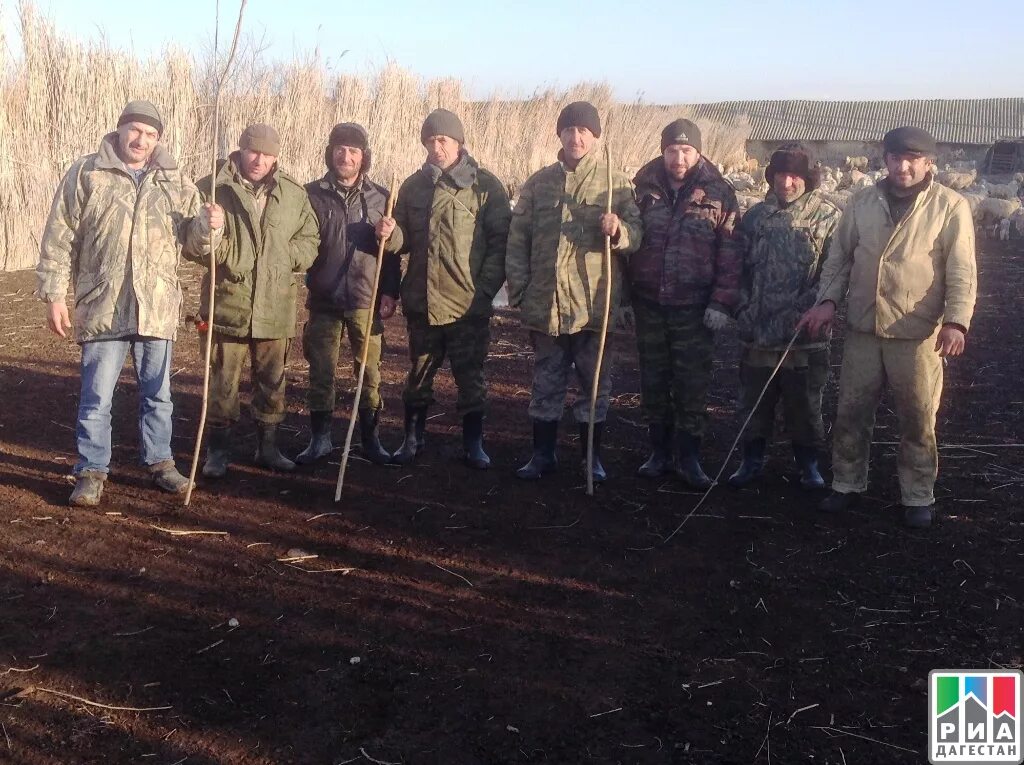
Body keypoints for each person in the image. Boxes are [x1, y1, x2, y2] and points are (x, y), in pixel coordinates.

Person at [797, 126, 977, 528]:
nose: (903, 166)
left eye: (913, 159)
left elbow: (962, 270)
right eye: (896, 158)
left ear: (929, 163)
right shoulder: (862, 202)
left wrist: (955, 321)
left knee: (917, 417)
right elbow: (840, 259)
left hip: (917, 333)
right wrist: (826, 301)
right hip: (863, 327)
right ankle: (846, 483)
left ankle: (917, 495)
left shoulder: (950, 206)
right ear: (886, 160)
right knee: (851, 412)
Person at [37, 100, 209, 506]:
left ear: (159, 139)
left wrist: (207, 226)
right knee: (97, 396)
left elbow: (193, 244)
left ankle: (161, 464)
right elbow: (59, 234)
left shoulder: (175, 179)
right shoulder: (87, 172)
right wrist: (54, 294)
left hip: (158, 305)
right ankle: (91, 471)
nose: (141, 139)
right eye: (135, 130)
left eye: (151, 134)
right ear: (119, 129)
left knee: (159, 396)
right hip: (102, 303)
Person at [506, 101, 642, 483]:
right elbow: (518, 240)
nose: (576, 136)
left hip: (594, 304)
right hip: (548, 303)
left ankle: (590, 458)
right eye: (569, 129)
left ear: (595, 137)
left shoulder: (616, 184)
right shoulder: (538, 182)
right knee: (546, 381)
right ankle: (542, 455)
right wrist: (519, 290)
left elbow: (637, 235)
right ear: (559, 135)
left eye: (584, 130)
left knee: (594, 383)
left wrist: (619, 231)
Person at [377, 109, 510, 469]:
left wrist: (483, 292)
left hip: (467, 304)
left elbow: (501, 244)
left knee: (471, 377)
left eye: (443, 140)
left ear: (458, 143)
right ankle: (412, 438)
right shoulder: (411, 186)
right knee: (418, 376)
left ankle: (473, 443)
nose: (437, 147)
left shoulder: (486, 186)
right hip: (422, 300)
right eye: (430, 141)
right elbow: (402, 242)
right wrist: (389, 235)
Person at [184, 124, 320, 478]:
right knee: (221, 382)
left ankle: (268, 448)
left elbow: (310, 239)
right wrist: (221, 244)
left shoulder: (293, 193)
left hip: (275, 305)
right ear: (240, 150)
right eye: (252, 151)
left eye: (267, 154)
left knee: (272, 381)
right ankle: (218, 452)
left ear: (276, 156)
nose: (259, 160)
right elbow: (192, 246)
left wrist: (283, 258)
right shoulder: (212, 188)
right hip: (227, 302)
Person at [628, 119, 741, 488]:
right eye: (672, 150)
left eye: (686, 150)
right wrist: (625, 299)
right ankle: (658, 452)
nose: (679, 157)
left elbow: (730, 251)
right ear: (663, 151)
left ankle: (690, 458)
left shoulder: (719, 192)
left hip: (695, 308)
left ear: (698, 151)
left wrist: (721, 303)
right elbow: (626, 246)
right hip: (649, 304)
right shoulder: (642, 189)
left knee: (692, 384)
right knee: (654, 381)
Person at [729, 143, 841, 490]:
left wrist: (813, 307)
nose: (787, 182)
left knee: (804, 404)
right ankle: (751, 460)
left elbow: (834, 274)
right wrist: (743, 307)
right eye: (781, 174)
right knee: (754, 403)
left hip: (802, 333)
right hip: (758, 331)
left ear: (806, 178)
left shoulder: (828, 217)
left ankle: (809, 465)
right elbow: (737, 268)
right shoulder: (755, 217)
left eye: (795, 175)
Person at [297, 123, 399, 466]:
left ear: (363, 157)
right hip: (324, 300)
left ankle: (370, 439)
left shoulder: (382, 198)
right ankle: (320, 440)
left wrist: (389, 292)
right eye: (340, 149)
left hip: (364, 300)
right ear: (330, 153)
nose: (346, 156)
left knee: (369, 373)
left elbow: (393, 255)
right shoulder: (311, 194)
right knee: (321, 372)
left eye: (353, 151)